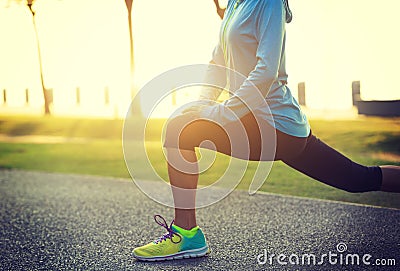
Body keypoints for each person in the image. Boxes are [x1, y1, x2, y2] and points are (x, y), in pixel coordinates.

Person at [133, 0, 400, 261]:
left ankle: (186, 235)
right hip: (258, 121)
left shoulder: (268, 3)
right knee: (358, 179)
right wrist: (203, 104)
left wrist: (218, 113)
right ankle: (187, 234)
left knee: (179, 129)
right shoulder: (237, 4)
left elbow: (265, 71)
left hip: (276, 125)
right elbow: (217, 63)